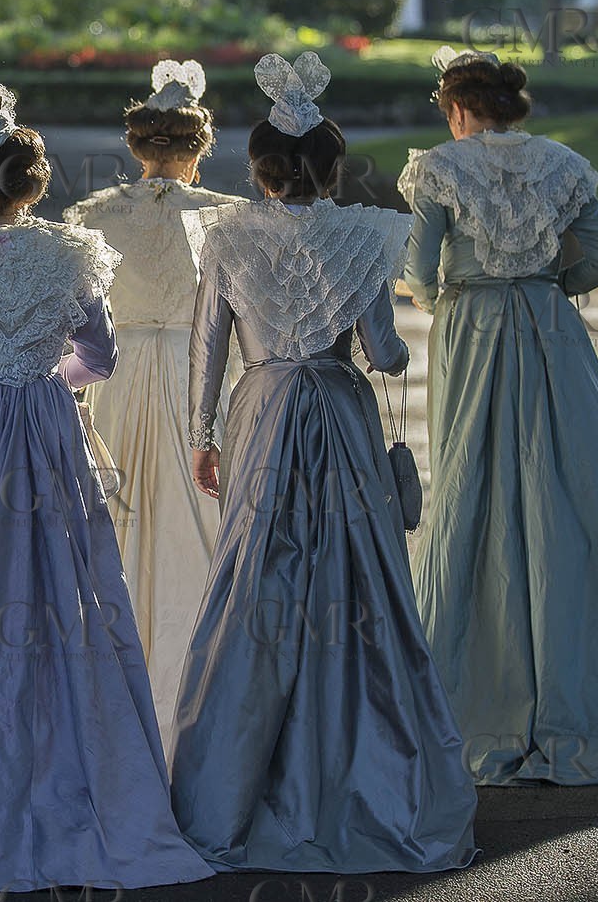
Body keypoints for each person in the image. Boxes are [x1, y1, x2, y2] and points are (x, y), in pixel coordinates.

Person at [0, 86, 212, 892]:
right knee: (65, 588)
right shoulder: (69, 253)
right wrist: (48, 378)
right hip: (45, 424)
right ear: (32, 182)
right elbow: (102, 355)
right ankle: (69, 768)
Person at [170, 53, 476, 872]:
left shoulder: (227, 235)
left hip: (263, 413)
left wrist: (203, 434)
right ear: (331, 167)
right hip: (338, 415)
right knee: (357, 579)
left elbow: (206, 348)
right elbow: (384, 352)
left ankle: (230, 783)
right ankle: (371, 774)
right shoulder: (359, 235)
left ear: (260, 169)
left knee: (256, 580)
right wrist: (381, 344)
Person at [403, 46, 598, 785]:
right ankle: (592, 673)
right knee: (568, 482)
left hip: (473, 333)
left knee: (475, 486)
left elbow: (416, 270)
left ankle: (480, 682)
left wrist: (455, 295)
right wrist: (547, 283)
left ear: (459, 108)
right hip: (548, 325)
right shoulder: (563, 163)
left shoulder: (442, 167)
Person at [62, 58, 243, 734]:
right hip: (197, 370)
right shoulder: (228, 218)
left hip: (113, 373)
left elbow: (76, 321)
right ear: (197, 150)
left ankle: (116, 668)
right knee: (198, 518)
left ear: (139, 148)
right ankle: (200, 679)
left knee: (121, 515)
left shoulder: (93, 215)